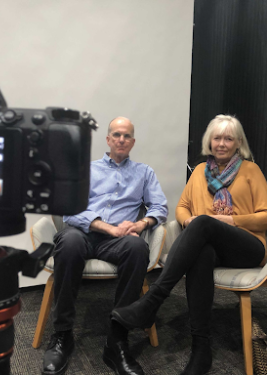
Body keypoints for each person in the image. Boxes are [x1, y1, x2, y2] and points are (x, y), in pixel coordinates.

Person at [112, 115, 267, 375]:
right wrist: (190, 221)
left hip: (247, 247)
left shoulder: (250, 171)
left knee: (204, 223)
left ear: (238, 142)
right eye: (217, 137)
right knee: (201, 250)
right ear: (209, 141)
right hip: (213, 246)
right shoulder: (200, 171)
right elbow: (181, 207)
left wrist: (228, 220)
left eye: (228, 138)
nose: (221, 143)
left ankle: (152, 301)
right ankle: (201, 349)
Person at [42, 117, 168, 375]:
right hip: (83, 235)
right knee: (68, 242)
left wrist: (142, 224)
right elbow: (70, 212)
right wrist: (108, 227)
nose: (121, 139)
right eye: (116, 135)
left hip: (120, 241)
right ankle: (62, 334)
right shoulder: (86, 170)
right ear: (108, 139)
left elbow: (160, 207)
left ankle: (117, 339)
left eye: (127, 136)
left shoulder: (144, 172)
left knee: (137, 249)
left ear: (132, 142)